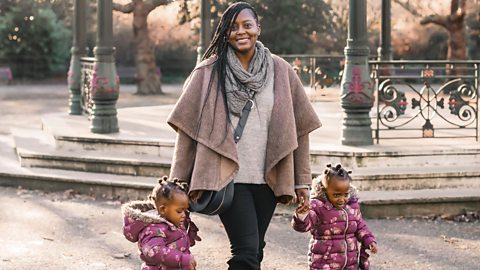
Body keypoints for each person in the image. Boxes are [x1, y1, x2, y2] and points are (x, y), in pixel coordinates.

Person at [167, 2, 321, 269]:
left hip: (269, 178)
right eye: (233, 27)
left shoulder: (281, 71)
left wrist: (302, 182)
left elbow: (300, 130)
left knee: (255, 249)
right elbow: (187, 132)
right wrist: (178, 180)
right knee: (246, 252)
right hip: (228, 177)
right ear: (225, 33)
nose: (241, 32)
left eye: (247, 25)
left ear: (258, 28)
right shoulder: (208, 72)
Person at [292, 163, 378, 270]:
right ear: (324, 190)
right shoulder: (318, 206)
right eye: (336, 195)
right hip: (324, 263)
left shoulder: (352, 206)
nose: (342, 199)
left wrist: (369, 240)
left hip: (350, 263)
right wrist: (302, 215)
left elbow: (360, 226)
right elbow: (303, 226)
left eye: (345, 194)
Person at [122, 176, 201, 270]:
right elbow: (155, 251)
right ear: (163, 209)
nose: (184, 215)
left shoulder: (173, 221)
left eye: (185, 210)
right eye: (179, 211)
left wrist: (187, 236)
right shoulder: (153, 229)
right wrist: (182, 259)